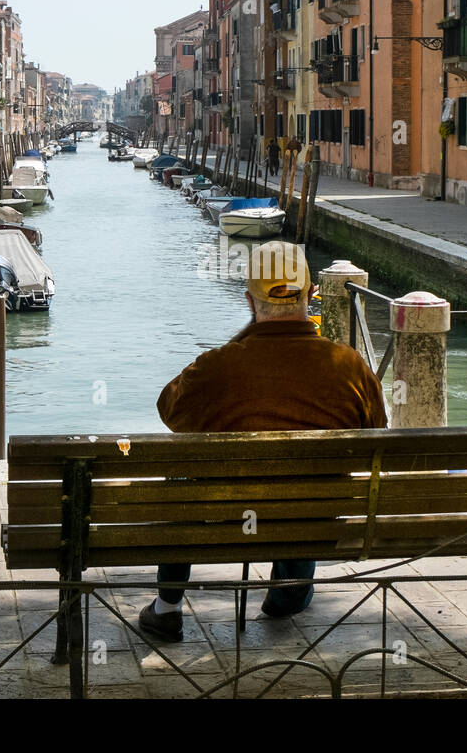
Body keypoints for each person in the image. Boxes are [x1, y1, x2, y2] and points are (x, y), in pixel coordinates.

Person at [138, 242, 388, 643]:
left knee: (181, 475)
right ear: (311, 295)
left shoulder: (217, 366)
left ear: (249, 301)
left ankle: (168, 606)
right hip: (314, 520)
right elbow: (378, 431)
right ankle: (288, 593)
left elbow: (169, 410)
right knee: (311, 486)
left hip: (225, 520)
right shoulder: (350, 366)